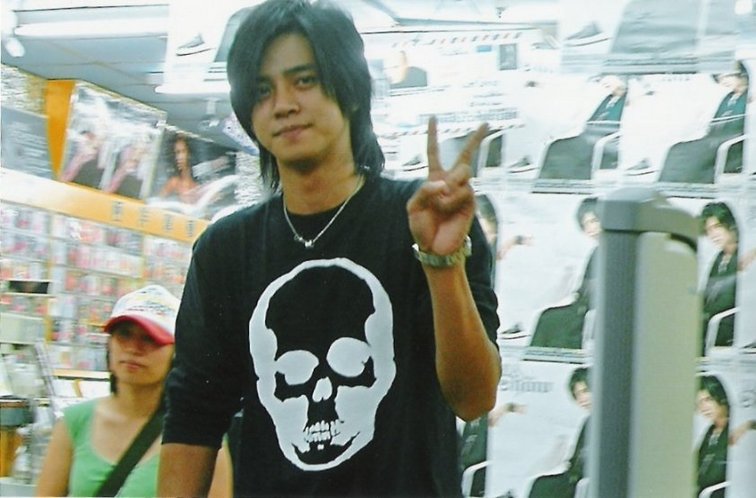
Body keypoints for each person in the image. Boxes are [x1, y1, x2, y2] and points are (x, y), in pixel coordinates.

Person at [157, 1, 501, 497]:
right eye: (262, 90)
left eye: (304, 81)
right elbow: (194, 414)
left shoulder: (423, 217)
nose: (283, 104)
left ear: (350, 91)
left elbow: (473, 398)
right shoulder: (226, 251)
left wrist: (441, 262)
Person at [35, 285, 232, 497]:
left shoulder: (199, 433)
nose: (133, 348)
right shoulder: (75, 422)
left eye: (150, 338)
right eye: (124, 334)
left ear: (176, 352)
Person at [658, 65, 749, 183]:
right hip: (715, 139)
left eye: (727, 76)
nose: (723, 81)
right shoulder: (728, 97)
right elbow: (716, 121)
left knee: (692, 153)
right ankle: (670, 185)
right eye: (720, 78)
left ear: (742, 75)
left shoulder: (750, 96)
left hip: (736, 144)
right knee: (677, 148)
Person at [529, 196, 599, 349]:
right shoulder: (597, 252)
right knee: (547, 317)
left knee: (551, 321)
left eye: (593, 221)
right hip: (583, 307)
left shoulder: (613, 250)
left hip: (598, 312)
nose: (590, 228)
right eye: (585, 224)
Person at [538, 75, 626, 180]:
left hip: (610, 136)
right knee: (557, 145)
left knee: (575, 150)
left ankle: (570, 181)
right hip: (592, 134)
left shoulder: (627, 100)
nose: (604, 83)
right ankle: (549, 182)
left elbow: (618, 123)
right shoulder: (608, 99)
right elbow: (592, 119)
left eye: (610, 80)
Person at [528, 366, 591, 498]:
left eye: (585, 391)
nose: (582, 399)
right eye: (577, 395)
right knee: (540, 484)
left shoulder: (608, 424)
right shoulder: (588, 422)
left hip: (585, 481)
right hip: (575, 477)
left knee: (543, 487)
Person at [694, 375, 755, 498]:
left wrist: (748, 425)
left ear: (720, 398)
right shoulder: (710, 432)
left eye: (708, 399)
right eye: (699, 402)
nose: (703, 407)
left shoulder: (737, 426)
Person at [158, 134, 200, 203]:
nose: (179, 157)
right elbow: (159, 203)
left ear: (189, 154)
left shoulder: (197, 187)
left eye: (183, 151)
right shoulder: (173, 183)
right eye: (177, 153)